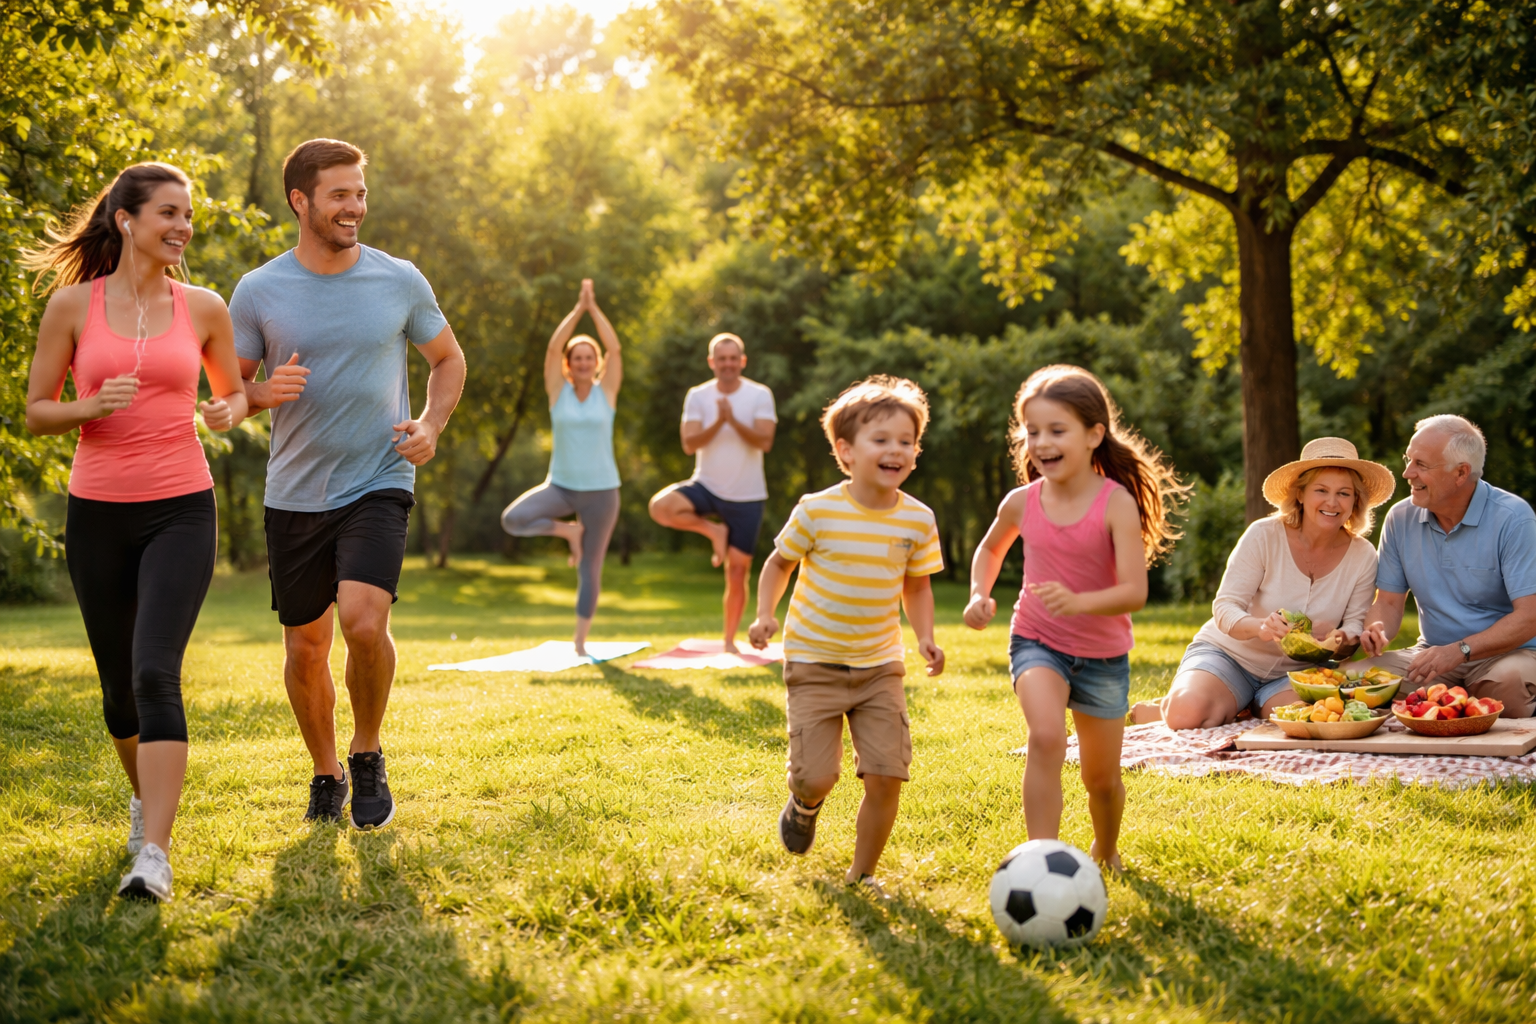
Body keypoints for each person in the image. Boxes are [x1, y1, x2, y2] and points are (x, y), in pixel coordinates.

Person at [23, 162, 250, 902]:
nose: (183, 226)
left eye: (188, 215)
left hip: (182, 505)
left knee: (156, 671)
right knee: (118, 693)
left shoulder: (206, 307)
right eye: (169, 214)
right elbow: (36, 410)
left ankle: (154, 851)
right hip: (97, 513)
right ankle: (143, 801)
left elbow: (232, 397)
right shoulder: (70, 308)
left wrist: (228, 412)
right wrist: (89, 408)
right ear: (127, 220)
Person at [232, 139, 466, 830]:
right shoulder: (259, 289)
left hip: (379, 478)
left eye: (360, 193)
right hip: (295, 492)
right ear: (300, 200)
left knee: (364, 621)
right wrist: (260, 393)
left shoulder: (398, 280)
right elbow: (226, 393)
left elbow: (448, 358)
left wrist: (431, 421)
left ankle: (367, 753)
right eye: (340, 194)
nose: (355, 207)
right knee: (306, 648)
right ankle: (326, 771)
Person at [962, 364, 1181, 872]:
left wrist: (1079, 601)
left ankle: (1106, 850)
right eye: (1032, 431)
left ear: (1093, 435)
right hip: (1036, 640)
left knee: (1100, 779)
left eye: (1056, 430)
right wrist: (978, 593)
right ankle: (1040, 861)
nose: (1041, 442)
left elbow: (1134, 591)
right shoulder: (1022, 502)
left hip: (1103, 657)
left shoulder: (1115, 504)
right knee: (1045, 737)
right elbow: (990, 550)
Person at [748, 376, 945, 895]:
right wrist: (766, 613)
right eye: (881, 440)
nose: (895, 450)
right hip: (814, 663)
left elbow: (917, 587)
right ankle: (804, 803)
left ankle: (862, 875)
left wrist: (924, 637)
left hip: (880, 667)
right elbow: (778, 563)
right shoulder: (818, 509)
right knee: (818, 776)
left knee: (887, 774)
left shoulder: (918, 520)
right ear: (846, 451)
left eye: (906, 441)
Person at [1132, 438, 1394, 729]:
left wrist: (1343, 638)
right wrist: (1261, 626)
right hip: (1229, 656)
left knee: (1314, 721)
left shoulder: (1363, 554)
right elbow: (1225, 607)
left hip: (1297, 674)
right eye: (1321, 490)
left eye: (1344, 493)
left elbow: (1355, 624)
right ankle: (1167, 709)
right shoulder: (1263, 535)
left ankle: (1242, 706)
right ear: (1300, 494)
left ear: (1356, 500)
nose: (1332, 502)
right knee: (1186, 715)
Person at [1355, 415, 1536, 716]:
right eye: (1408, 459)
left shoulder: (1514, 518)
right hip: (1432, 655)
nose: (1406, 473)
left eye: (1421, 465)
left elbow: (1529, 618)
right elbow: (1387, 602)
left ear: (1461, 472)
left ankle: (1449, 703)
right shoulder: (1400, 519)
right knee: (1359, 682)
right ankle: (1450, 704)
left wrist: (1460, 651)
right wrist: (1377, 630)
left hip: (1509, 654)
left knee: (1505, 690)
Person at [501, 279, 623, 656]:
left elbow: (615, 347)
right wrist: (577, 309)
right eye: (578, 358)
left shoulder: (608, 392)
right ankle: (567, 533)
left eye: (590, 357)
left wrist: (594, 308)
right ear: (569, 366)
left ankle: (580, 642)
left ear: (596, 363)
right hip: (562, 487)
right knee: (513, 519)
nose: (584, 362)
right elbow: (554, 347)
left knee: (590, 570)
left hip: (602, 493)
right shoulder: (558, 391)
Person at [648, 333, 777, 652]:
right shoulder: (698, 395)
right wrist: (720, 421)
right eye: (722, 359)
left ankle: (729, 642)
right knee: (661, 507)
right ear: (712, 363)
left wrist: (732, 418)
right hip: (706, 485)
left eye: (734, 358)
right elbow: (689, 444)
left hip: (748, 495)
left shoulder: (760, 394)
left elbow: (765, 442)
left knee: (737, 572)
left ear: (742, 361)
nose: (728, 364)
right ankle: (713, 530)